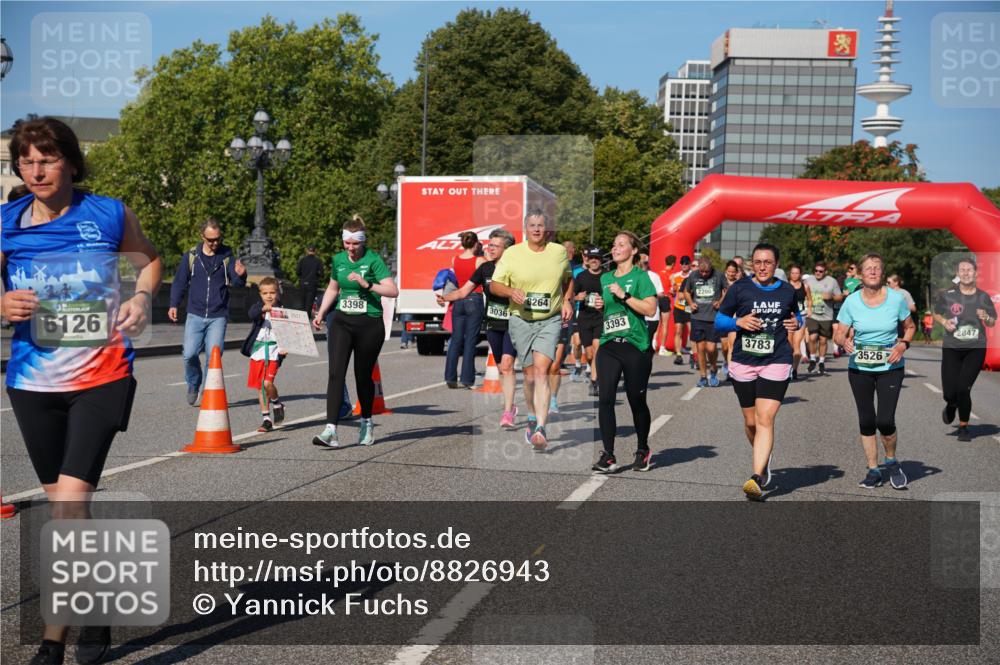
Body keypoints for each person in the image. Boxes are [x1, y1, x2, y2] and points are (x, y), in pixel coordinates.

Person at [1, 116, 162, 665]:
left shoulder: (108, 213)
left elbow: (149, 261)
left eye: (46, 158)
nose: (36, 170)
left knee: (69, 506)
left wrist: (141, 299)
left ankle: (52, 641)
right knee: (67, 509)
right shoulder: (5, 222)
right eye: (26, 160)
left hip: (103, 374)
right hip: (32, 381)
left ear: (70, 161)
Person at [715, 243, 802, 500]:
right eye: (758, 262)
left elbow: (798, 317)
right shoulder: (739, 288)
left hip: (776, 359)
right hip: (744, 360)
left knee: (765, 419)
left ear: (776, 265)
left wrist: (797, 322)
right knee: (751, 422)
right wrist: (737, 322)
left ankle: (756, 477)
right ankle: (763, 456)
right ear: (752, 264)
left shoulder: (787, 290)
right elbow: (719, 321)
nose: (762, 266)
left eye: (768, 262)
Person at [311, 215, 399, 448]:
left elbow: (392, 290)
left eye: (355, 243)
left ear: (363, 241)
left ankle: (367, 421)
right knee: (335, 373)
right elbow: (333, 287)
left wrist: (367, 284)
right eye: (347, 243)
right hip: (341, 321)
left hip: (369, 323)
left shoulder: (373, 260)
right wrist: (320, 313)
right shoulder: (338, 259)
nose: (350, 248)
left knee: (362, 375)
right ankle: (331, 430)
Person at [490, 210, 574, 450]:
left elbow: (567, 279)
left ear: (546, 230)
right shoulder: (513, 254)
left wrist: (567, 300)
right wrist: (510, 292)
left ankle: (540, 427)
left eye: (540, 225)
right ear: (525, 229)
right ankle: (530, 415)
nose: (536, 229)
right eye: (532, 225)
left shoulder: (557, 252)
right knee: (528, 375)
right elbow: (495, 285)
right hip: (521, 320)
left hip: (549, 319)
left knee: (541, 371)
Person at [834, 254, 915, 489]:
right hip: (860, 368)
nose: (872, 272)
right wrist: (843, 342)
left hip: (890, 366)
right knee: (867, 420)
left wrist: (902, 344)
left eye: (877, 268)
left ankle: (891, 461)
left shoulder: (896, 299)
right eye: (868, 268)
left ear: (882, 273)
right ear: (859, 274)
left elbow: (910, 327)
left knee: (885, 420)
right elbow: (839, 332)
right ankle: (873, 469)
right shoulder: (851, 301)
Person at [591, 231, 658, 474]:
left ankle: (642, 449)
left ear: (633, 251)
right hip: (609, 344)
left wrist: (625, 295)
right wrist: (601, 307)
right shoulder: (606, 278)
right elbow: (611, 313)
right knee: (605, 398)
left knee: (636, 400)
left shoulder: (641, 278)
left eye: (621, 244)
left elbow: (650, 309)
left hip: (635, 346)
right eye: (614, 244)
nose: (615, 247)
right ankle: (608, 455)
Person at [439, 228, 520, 428]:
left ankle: (507, 411)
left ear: (507, 249)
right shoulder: (484, 268)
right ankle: (512, 405)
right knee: (501, 366)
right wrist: (445, 297)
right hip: (493, 322)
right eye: (489, 244)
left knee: (508, 365)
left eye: (495, 246)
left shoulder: (517, 269)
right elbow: (464, 290)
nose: (489, 248)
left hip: (514, 322)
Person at [169, 218, 247, 405]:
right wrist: (173, 304)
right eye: (211, 240)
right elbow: (180, 281)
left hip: (218, 315)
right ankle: (194, 383)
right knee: (189, 354)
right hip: (195, 313)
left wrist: (242, 275)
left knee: (214, 356)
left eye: (218, 239)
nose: (215, 243)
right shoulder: (192, 256)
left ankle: (207, 390)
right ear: (202, 236)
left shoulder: (227, 255)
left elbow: (236, 283)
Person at [935, 256, 997, 442]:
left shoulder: (983, 297)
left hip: (975, 348)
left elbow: (992, 322)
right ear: (957, 274)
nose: (966, 273)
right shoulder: (948, 295)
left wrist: (986, 316)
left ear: (975, 273)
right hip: (952, 348)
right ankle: (951, 404)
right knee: (949, 392)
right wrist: (945, 321)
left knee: (963, 388)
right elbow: (937, 312)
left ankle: (963, 427)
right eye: (962, 270)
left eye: (969, 270)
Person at [243, 277, 288, 432]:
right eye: (265, 293)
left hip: (274, 352)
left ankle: (276, 401)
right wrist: (263, 309)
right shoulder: (258, 307)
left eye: (272, 293)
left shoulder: (282, 310)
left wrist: (285, 346)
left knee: (267, 384)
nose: (269, 296)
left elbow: (288, 331)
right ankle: (266, 419)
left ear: (278, 293)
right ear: (260, 294)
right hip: (259, 351)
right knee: (260, 387)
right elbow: (251, 314)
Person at [444, 231, 486, 389]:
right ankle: (467, 379)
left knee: (456, 339)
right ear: (476, 244)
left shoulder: (455, 259)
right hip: (474, 299)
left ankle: (450, 377)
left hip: (459, 299)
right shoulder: (480, 260)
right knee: (470, 340)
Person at [681, 256, 728, 387]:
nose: (704, 274)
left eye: (706, 272)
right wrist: (690, 303)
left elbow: (727, 290)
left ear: (711, 268)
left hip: (713, 317)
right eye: (702, 272)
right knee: (701, 348)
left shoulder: (719, 275)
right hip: (697, 316)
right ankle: (703, 376)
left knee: (711, 348)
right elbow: (686, 291)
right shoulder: (693, 275)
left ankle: (713, 369)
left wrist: (720, 302)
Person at [573, 246, 605, 397]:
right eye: (591, 258)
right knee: (590, 354)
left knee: (598, 349)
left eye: (597, 258)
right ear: (588, 259)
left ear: (601, 260)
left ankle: (595, 382)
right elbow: (571, 296)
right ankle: (591, 370)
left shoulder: (607, 276)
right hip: (585, 318)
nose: (594, 261)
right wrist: (577, 298)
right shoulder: (581, 277)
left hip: (600, 317)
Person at [803, 261, 842, 374]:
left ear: (825, 272)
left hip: (826, 315)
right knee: (812, 337)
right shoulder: (808, 280)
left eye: (820, 271)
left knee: (823, 340)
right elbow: (801, 292)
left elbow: (840, 297)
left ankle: (821, 362)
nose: (818, 273)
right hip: (812, 314)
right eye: (816, 270)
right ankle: (812, 359)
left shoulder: (832, 281)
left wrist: (831, 297)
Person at [786, 265, 812, 380]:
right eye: (793, 273)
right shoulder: (785, 286)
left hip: (801, 316)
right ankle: (787, 368)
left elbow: (810, 299)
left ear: (800, 274)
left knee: (797, 345)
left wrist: (810, 309)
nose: (795, 275)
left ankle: (794, 369)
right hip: (788, 317)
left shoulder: (805, 286)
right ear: (789, 274)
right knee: (789, 345)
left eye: (797, 273)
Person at [720, 259, 742, 375]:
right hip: (723, 316)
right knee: (724, 346)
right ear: (726, 271)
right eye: (729, 271)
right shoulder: (720, 282)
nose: (731, 274)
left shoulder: (740, 284)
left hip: (734, 317)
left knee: (731, 344)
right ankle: (725, 360)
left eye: (733, 272)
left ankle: (730, 370)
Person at [639, 253, 665, 351]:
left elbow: (661, 293)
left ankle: (646, 363)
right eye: (640, 263)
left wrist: (651, 294)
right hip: (636, 314)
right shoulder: (633, 276)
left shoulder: (654, 276)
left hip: (651, 315)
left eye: (645, 263)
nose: (643, 265)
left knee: (647, 342)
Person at [670, 255, 693, 366]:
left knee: (692, 331)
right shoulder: (675, 276)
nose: (684, 265)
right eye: (683, 263)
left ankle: (694, 354)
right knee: (678, 330)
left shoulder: (693, 275)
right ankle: (678, 355)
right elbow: (674, 291)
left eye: (686, 263)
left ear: (689, 264)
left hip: (689, 307)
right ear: (680, 264)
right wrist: (673, 291)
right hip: (679, 307)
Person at [657, 254, 677, 356]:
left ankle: (653, 344)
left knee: (657, 324)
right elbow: (673, 290)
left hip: (657, 299)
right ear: (673, 263)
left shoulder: (659, 273)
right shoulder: (671, 274)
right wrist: (673, 291)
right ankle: (662, 348)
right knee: (665, 324)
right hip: (665, 299)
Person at [297, 245, 324, 315]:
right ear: (315, 251)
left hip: (303, 283)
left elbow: (297, 272)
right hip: (312, 284)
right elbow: (322, 274)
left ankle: (301, 318)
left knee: (302, 302)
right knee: (309, 303)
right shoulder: (318, 261)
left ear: (307, 251)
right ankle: (307, 318)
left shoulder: (302, 260)